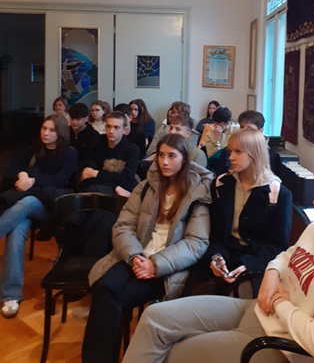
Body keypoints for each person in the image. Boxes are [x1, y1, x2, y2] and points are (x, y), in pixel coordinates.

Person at [123, 167, 314, 363]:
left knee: (175, 353)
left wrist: (279, 303)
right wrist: (272, 273)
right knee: (154, 319)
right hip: (257, 309)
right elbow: (285, 256)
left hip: (278, 344)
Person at [81, 133, 213, 363]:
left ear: (184, 159)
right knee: (104, 288)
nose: (164, 162)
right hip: (135, 255)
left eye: (172, 156)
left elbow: (196, 243)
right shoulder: (145, 187)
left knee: (115, 298)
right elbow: (123, 225)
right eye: (161, 155)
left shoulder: (197, 194)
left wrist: (155, 265)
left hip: (167, 267)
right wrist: (134, 256)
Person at [183, 128, 291, 296]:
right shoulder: (220, 184)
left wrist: (248, 265)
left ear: (255, 154)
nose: (231, 157)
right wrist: (216, 257)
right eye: (230, 151)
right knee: (192, 295)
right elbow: (215, 233)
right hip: (223, 257)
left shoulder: (279, 193)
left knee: (237, 299)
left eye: (238, 152)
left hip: (255, 262)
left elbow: (278, 245)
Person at [0, 115, 78, 318]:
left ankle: (10, 293)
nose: (46, 133)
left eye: (51, 130)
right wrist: (22, 175)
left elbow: (59, 180)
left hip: (51, 206)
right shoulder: (35, 149)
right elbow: (10, 168)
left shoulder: (70, 153)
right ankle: (11, 295)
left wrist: (33, 181)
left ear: (60, 133)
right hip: (26, 205)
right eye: (44, 128)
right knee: (16, 231)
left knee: (27, 202)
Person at [78, 111, 140, 197]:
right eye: (108, 126)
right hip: (100, 188)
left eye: (116, 127)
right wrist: (115, 187)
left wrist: (96, 174)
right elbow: (87, 174)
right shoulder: (98, 142)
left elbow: (126, 180)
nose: (111, 131)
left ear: (124, 130)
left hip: (121, 193)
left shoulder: (132, 149)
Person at [238, 110, 280, 175]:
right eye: (242, 127)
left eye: (249, 128)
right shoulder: (231, 149)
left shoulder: (271, 156)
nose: (244, 131)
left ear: (260, 131)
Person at [69, 102, 102, 183]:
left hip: (83, 170)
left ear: (86, 119)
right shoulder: (66, 132)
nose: (74, 122)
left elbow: (91, 159)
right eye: (72, 118)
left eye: (78, 119)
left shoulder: (93, 136)